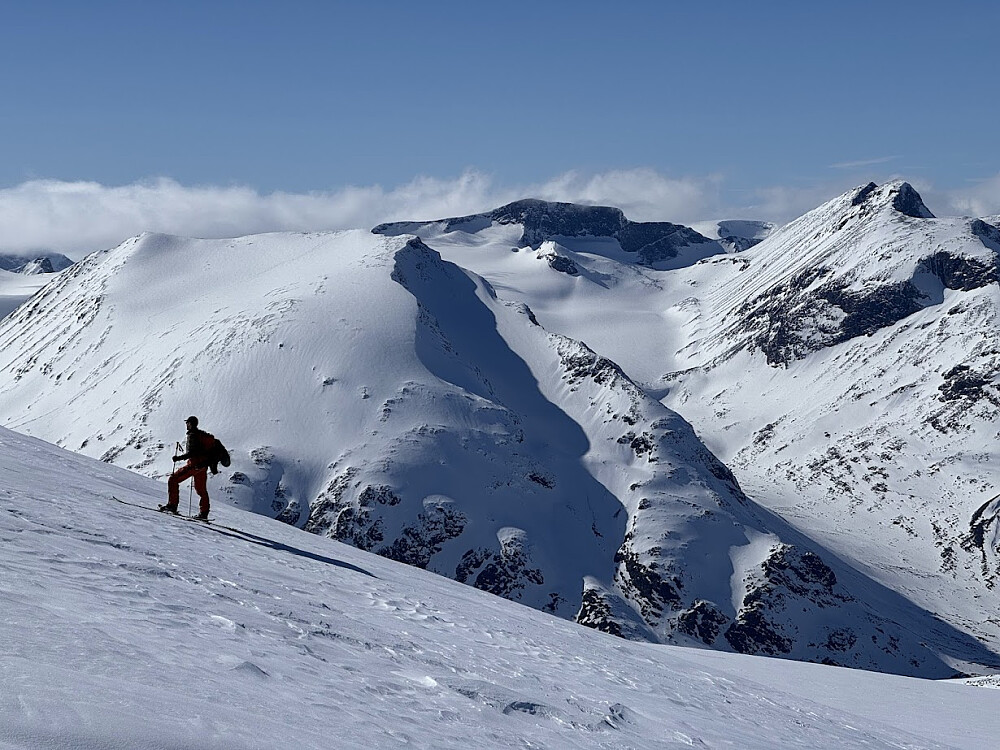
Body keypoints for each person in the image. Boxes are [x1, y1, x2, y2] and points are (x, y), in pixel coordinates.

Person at [161, 416, 213, 519]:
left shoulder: (192, 435)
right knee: (201, 490)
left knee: (173, 479)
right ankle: (204, 513)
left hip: (194, 465)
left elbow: (191, 453)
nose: (186, 425)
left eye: (187, 423)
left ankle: (172, 505)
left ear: (190, 424)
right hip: (202, 466)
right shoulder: (200, 435)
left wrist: (178, 458)